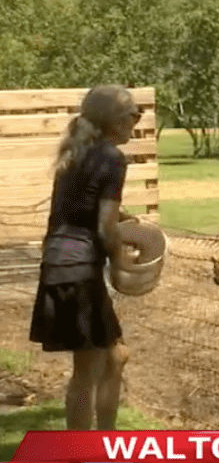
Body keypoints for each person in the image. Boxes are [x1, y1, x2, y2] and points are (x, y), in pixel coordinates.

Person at [29, 84, 145, 430]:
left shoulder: (78, 152)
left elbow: (76, 208)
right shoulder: (111, 157)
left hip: (60, 265)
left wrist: (124, 219)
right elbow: (105, 229)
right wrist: (123, 263)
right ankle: (81, 457)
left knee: (115, 358)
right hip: (79, 271)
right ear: (112, 120)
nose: (136, 121)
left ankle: (106, 444)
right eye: (131, 114)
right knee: (86, 373)